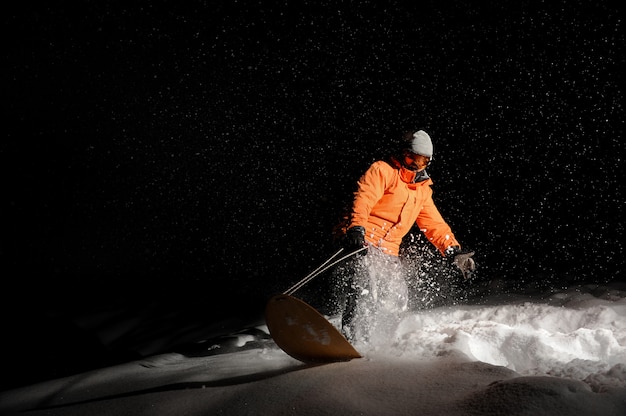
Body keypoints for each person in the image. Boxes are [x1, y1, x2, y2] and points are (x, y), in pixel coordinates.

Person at [338, 129, 475, 345]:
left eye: (422, 160)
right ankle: (352, 340)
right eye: (411, 157)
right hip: (364, 239)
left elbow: (433, 223)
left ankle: (378, 341)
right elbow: (364, 197)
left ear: (428, 162)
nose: (415, 164)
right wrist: (356, 228)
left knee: (397, 299)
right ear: (402, 153)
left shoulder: (422, 189)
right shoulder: (383, 170)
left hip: (389, 249)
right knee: (366, 290)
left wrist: (452, 250)